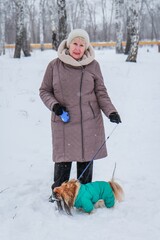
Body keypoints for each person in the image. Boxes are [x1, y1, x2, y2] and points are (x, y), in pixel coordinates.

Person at [39, 29, 121, 196]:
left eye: (81, 45)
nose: (77, 48)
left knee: (85, 159)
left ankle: (84, 194)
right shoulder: (54, 65)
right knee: (64, 159)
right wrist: (55, 106)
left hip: (88, 122)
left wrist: (111, 112)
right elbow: (44, 90)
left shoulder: (93, 65)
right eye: (75, 44)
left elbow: (101, 92)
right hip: (64, 120)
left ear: (86, 47)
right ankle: (59, 194)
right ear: (69, 45)